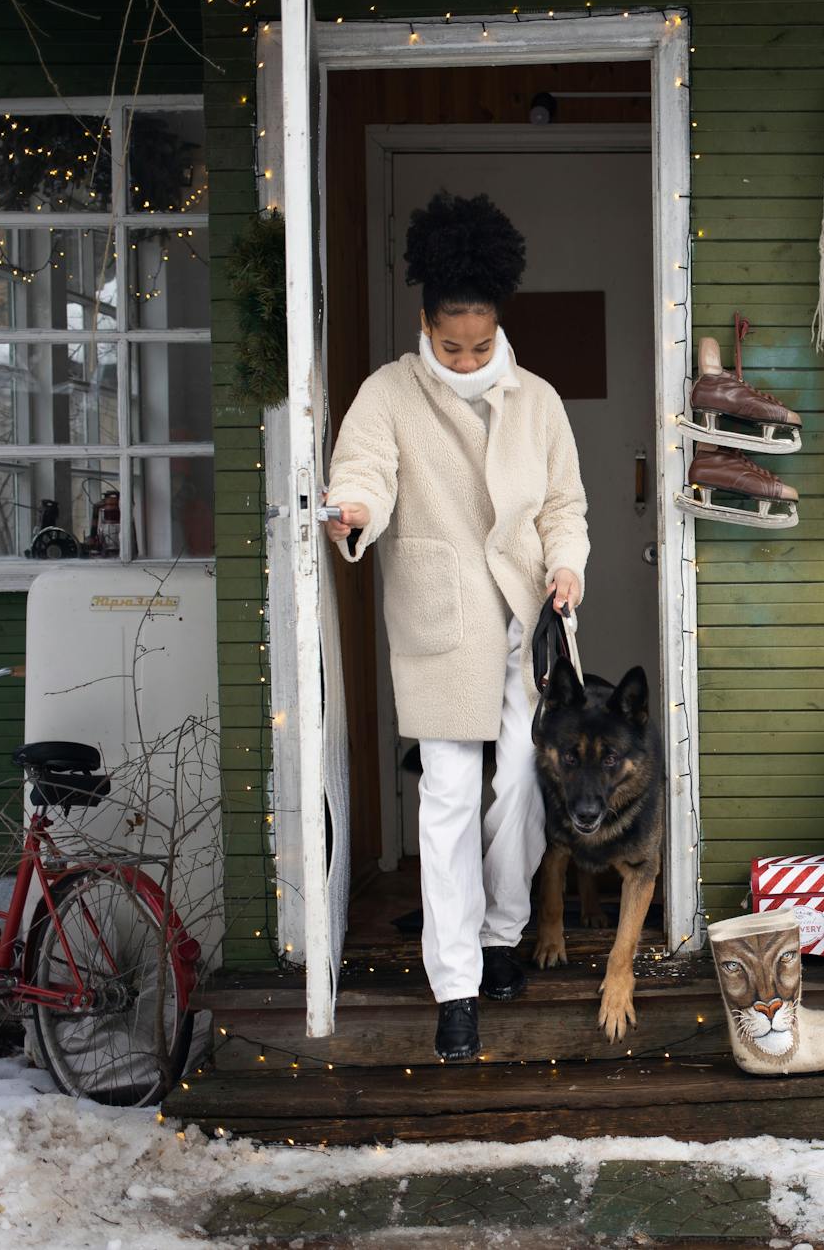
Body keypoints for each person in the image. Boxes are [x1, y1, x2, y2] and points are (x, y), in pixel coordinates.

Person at [322, 192, 588, 1061]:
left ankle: (505, 930)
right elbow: (366, 468)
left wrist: (569, 562)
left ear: (498, 325)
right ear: (424, 321)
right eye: (451, 343)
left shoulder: (538, 399)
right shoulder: (388, 394)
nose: (466, 356)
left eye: (479, 343)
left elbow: (563, 505)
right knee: (444, 800)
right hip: (443, 620)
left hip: (526, 619)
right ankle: (457, 984)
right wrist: (353, 508)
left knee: (518, 781)